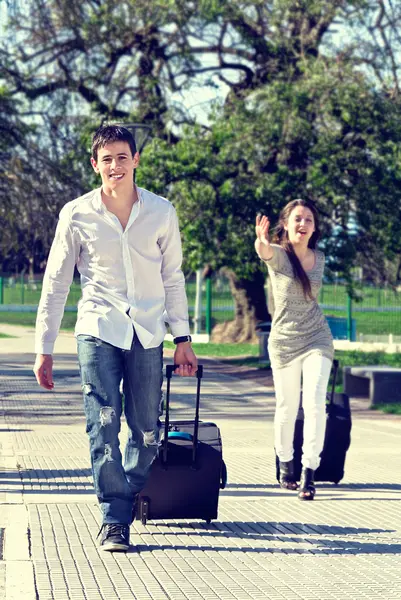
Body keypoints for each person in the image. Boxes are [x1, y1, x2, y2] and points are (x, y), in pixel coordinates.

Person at [33, 124, 198, 550]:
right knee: (101, 424)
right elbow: (56, 282)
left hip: (147, 330)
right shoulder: (76, 213)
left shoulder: (161, 212)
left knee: (145, 428)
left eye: (122, 157)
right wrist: (44, 347)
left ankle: (129, 489)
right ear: (95, 165)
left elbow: (172, 277)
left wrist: (182, 337)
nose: (115, 166)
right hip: (97, 328)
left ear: (136, 160)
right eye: (106, 159)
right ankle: (114, 516)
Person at [255, 199, 334, 501]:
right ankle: (285, 463)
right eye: (297, 219)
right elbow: (264, 252)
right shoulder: (278, 255)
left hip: (317, 338)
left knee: (314, 403)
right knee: (287, 407)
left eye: (309, 220)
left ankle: (309, 472)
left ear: (315, 228)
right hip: (284, 342)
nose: (303, 225)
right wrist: (261, 241)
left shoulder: (319, 258)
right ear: (286, 225)